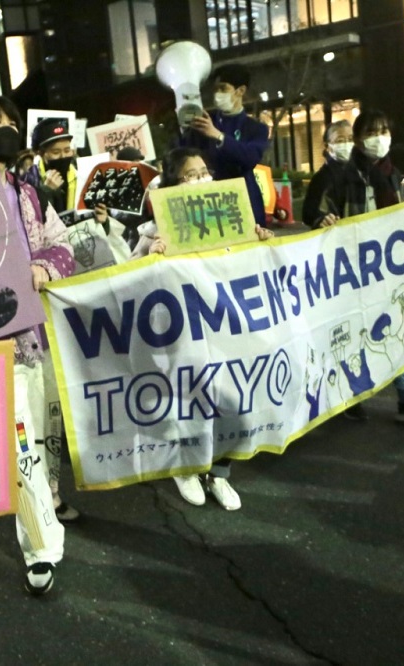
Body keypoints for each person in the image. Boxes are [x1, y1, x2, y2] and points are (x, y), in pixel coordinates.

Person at [0, 95, 77, 596]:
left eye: (10, 122)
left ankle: (51, 501)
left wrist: (45, 266)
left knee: (46, 435)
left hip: (38, 335)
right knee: (22, 450)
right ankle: (41, 548)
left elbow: (62, 245)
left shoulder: (29, 194)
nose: (4, 130)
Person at [137, 147, 274, 511]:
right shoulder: (154, 231)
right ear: (172, 184)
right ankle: (185, 467)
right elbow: (129, 279)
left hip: (225, 331)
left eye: (203, 172)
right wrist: (152, 255)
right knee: (187, 399)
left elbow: (250, 269)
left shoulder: (231, 220)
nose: (200, 179)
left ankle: (219, 473)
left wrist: (260, 242)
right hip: (182, 335)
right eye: (190, 175)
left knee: (231, 400)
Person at [314, 109, 404, 423]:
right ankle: (348, 397)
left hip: (384, 267)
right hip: (347, 267)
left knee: (397, 327)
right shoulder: (340, 173)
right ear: (358, 139)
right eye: (372, 132)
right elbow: (318, 210)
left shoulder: (391, 173)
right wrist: (322, 219)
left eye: (384, 130)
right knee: (349, 332)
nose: (379, 137)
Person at [178, 63, 270, 227]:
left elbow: (250, 157)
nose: (217, 94)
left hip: (244, 201)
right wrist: (184, 128)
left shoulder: (256, 128)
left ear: (240, 91)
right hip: (209, 201)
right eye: (215, 89)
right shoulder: (204, 121)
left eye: (223, 88)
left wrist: (218, 136)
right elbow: (183, 154)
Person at [302, 120, 366, 229]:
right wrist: (321, 219)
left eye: (350, 139)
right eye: (340, 140)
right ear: (328, 146)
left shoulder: (361, 172)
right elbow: (309, 214)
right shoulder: (321, 179)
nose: (346, 144)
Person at [26, 116, 78, 215]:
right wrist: (46, 191)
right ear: (41, 154)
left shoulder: (80, 177)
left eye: (67, 150)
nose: (63, 156)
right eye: (56, 152)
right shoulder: (28, 181)